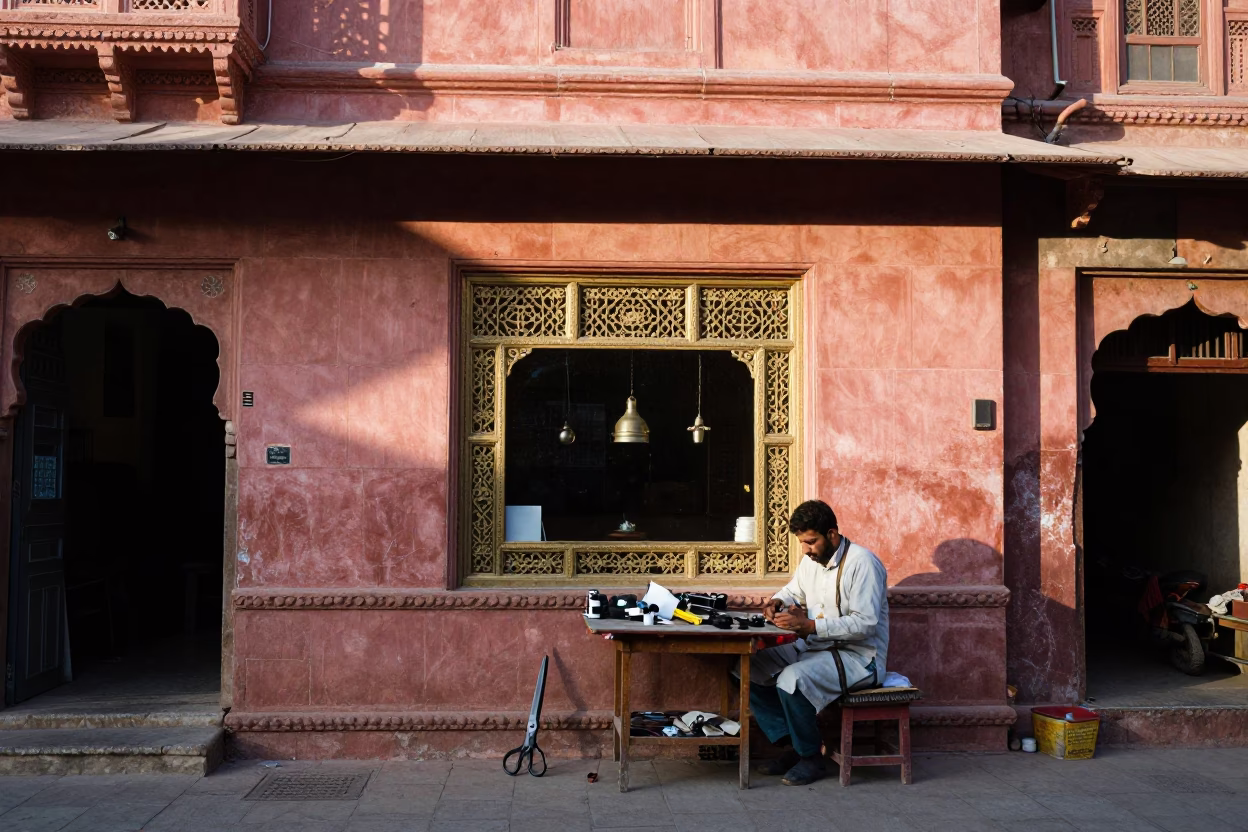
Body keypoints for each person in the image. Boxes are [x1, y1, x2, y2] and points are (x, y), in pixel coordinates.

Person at [749, 499, 889, 786]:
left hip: (859, 658)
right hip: (816, 649)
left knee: (792, 679)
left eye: (811, 542)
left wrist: (810, 626)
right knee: (749, 668)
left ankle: (811, 758)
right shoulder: (810, 561)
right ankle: (793, 745)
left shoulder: (863, 563)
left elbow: (866, 624)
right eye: (802, 543)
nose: (807, 550)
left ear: (833, 534)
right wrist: (778, 600)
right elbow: (793, 590)